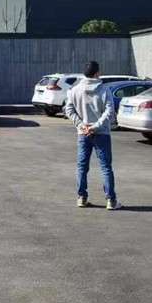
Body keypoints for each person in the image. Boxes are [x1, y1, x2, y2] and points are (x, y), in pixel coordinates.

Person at [63, 60, 121, 210]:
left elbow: (69, 110)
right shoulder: (104, 89)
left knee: (82, 166)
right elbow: (109, 112)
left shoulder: (75, 89)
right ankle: (111, 200)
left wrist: (82, 126)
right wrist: (95, 127)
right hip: (102, 133)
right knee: (105, 167)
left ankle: (81, 198)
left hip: (83, 134)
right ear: (97, 73)